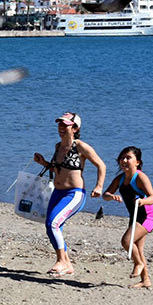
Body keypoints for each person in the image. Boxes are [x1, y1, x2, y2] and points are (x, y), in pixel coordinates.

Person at [32, 112, 105, 276]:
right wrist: (43, 162)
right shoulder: (58, 146)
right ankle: (67, 264)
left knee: (53, 224)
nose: (61, 128)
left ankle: (61, 262)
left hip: (74, 194)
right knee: (51, 227)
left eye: (65, 125)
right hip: (57, 192)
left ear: (75, 128)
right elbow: (56, 168)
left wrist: (99, 186)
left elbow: (101, 165)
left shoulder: (80, 147)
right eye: (60, 124)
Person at [102, 146, 153, 288]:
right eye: (122, 158)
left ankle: (138, 263)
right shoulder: (120, 179)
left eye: (128, 158)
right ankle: (145, 280)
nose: (124, 160)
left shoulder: (140, 177)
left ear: (137, 162)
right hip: (135, 216)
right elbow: (105, 195)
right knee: (138, 249)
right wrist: (111, 196)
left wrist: (141, 201)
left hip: (148, 215)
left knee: (126, 241)